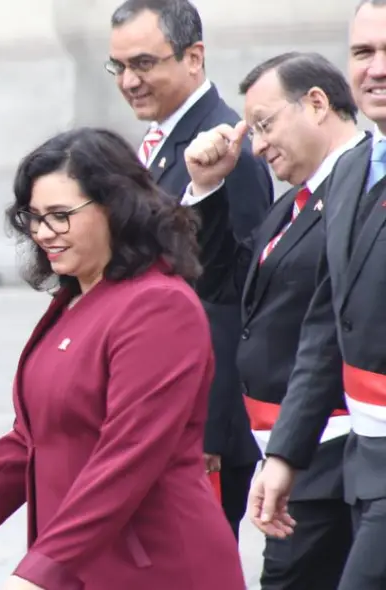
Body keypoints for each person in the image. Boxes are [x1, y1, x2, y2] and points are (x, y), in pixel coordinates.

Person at [0, 127, 246, 590]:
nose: (43, 233)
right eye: (34, 217)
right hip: (76, 566)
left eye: (60, 216)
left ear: (116, 208)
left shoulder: (160, 306)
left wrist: (38, 573)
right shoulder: (76, 300)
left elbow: (127, 456)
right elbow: (30, 440)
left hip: (156, 568)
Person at [186, 51, 365, 590]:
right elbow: (229, 286)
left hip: (328, 448)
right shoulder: (295, 202)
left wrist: (289, 450)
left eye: (265, 125)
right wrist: (208, 191)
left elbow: (333, 330)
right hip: (288, 448)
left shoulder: (357, 189)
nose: (257, 146)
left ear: (315, 104)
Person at [106, 0, 273, 538]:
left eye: (145, 64)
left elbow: (236, 294)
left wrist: (212, 430)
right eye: (120, 67)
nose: (129, 81)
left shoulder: (226, 145)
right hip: (160, 399)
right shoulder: (160, 139)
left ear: (194, 57)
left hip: (201, 422)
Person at [250, 2, 386, 588]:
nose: (375, 69)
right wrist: (285, 456)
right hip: (362, 466)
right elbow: (327, 328)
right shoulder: (354, 172)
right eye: (363, 53)